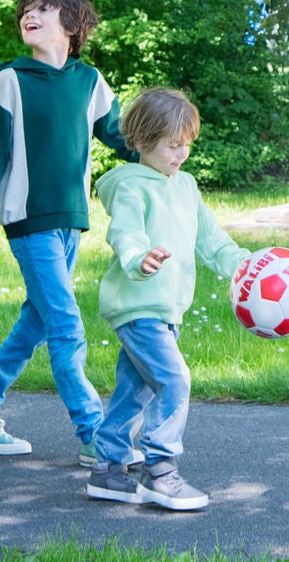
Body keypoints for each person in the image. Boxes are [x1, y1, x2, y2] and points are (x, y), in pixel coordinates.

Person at [0, 0, 138, 460]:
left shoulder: (89, 80)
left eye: (43, 9)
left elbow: (119, 137)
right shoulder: (10, 80)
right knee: (65, 324)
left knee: (33, 325)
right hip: (28, 221)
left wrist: (160, 153)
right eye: (26, 10)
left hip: (72, 221)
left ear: (71, 26)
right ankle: (95, 436)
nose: (29, 15)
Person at [87, 88, 253, 512]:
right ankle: (160, 470)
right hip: (137, 305)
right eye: (173, 146)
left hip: (166, 308)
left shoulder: (186, 186)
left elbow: (211, 239)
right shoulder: (130, 188)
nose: (182, 154)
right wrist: (139, 257)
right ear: (142, 142)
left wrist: (242, 265)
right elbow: (126, 232)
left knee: (133, 390)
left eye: (187, 145)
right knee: (175, 379)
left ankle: (107, 468)